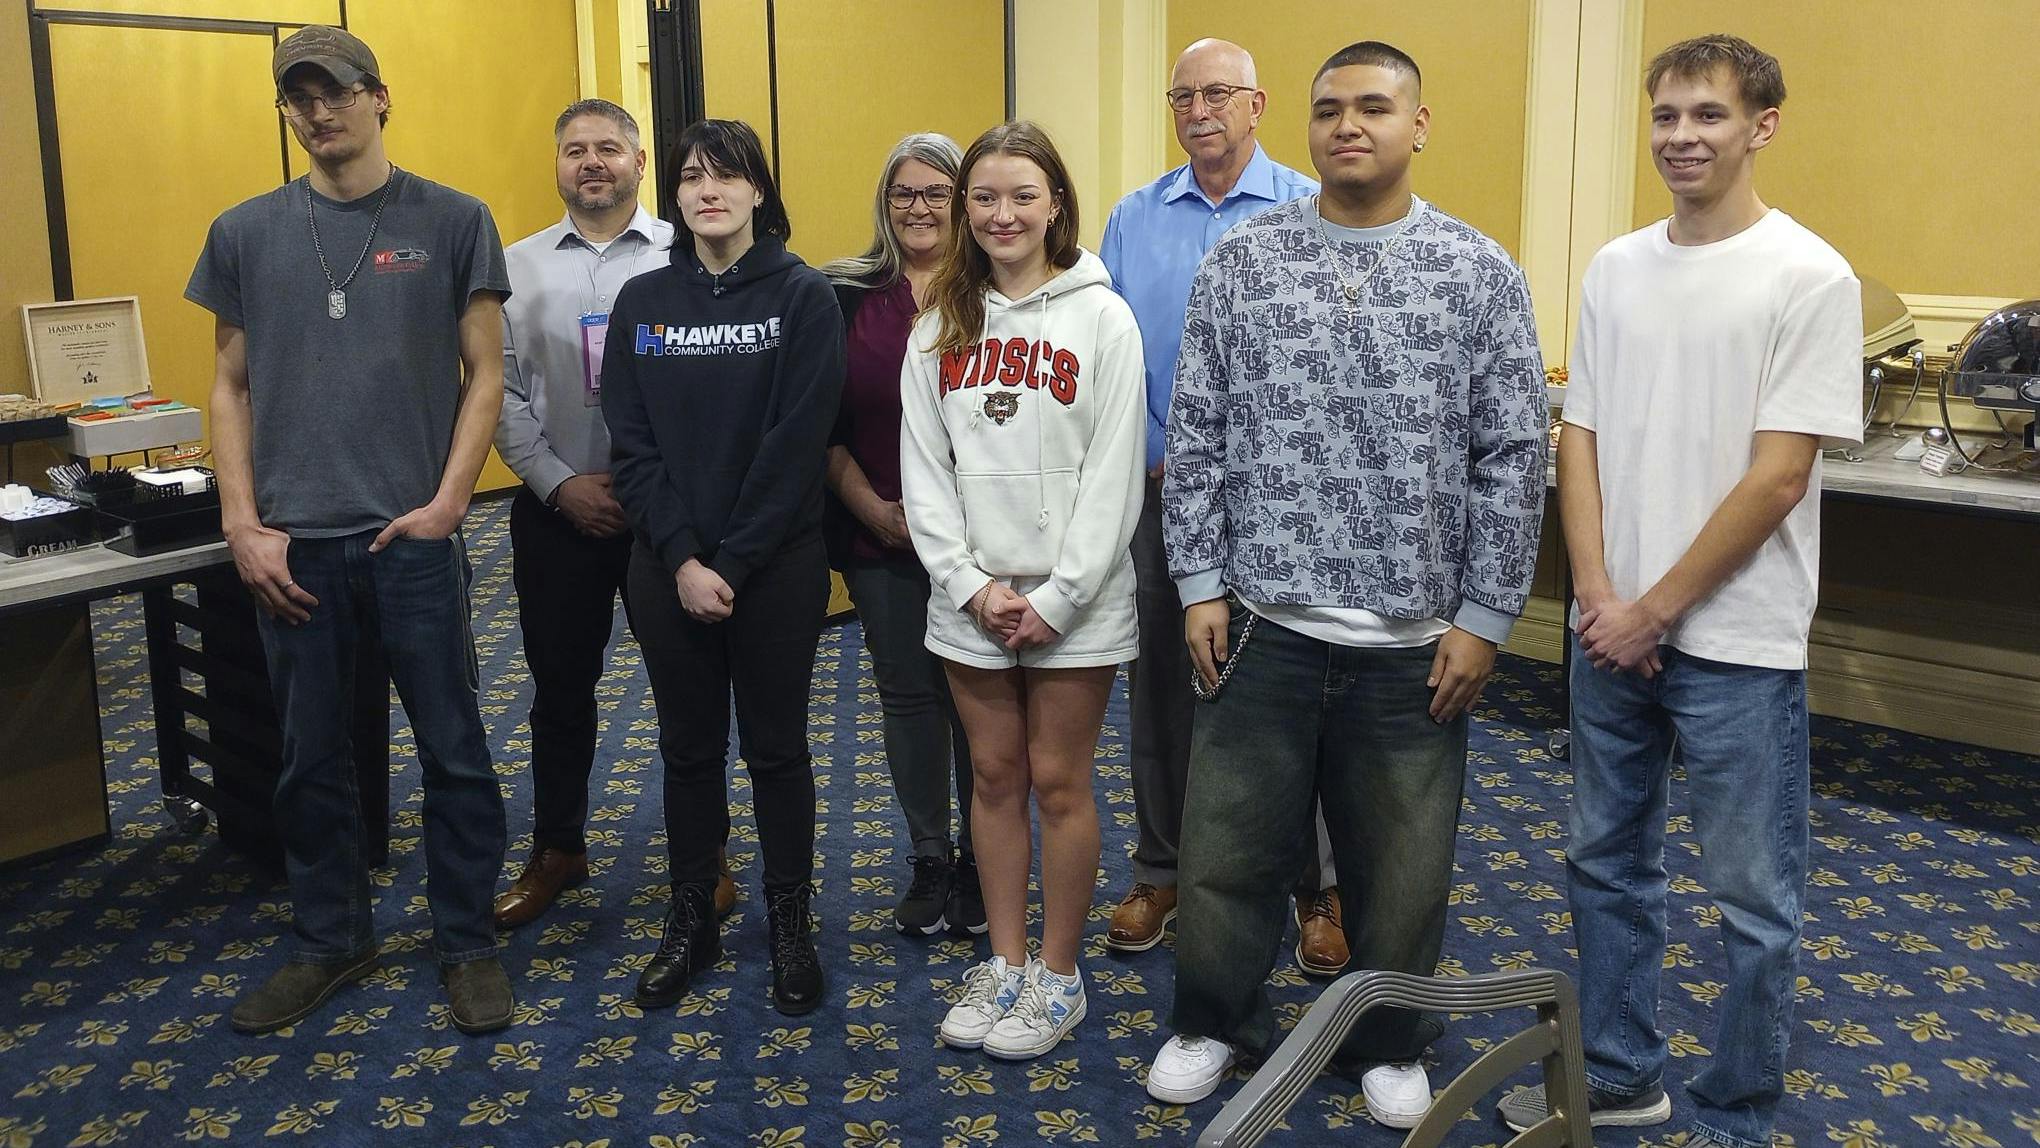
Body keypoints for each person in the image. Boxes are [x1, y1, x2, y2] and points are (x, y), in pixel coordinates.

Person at [1149, 41, 1547, 1128]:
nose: (1348, 126)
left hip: (1415, 637)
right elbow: (1200, 427)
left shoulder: (1478, 271)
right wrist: (1197, 578)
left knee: (1404, 865)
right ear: (1307, 125)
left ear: (1420, 125)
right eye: (1330, 110)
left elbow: (1515, 454)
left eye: (1375, 107)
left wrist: (1485, 616)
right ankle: (1209, 1019)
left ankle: (1390, 1035)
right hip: (1262, 621)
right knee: (1227, 847)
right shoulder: (1244, 261)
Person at [1498, 35, 1861, 1147]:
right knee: (1605, 861)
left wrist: (1653, 609)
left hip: (1736, 644)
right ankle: (1620, 1071)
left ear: (1763, 126)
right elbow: (1584, 437)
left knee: (1754, 899)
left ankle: (1740, 1107)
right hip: (1609, 633)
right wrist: (1599, 598)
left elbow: (1779, 473)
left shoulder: (1811, 275)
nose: (1682, 137)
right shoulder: (1615, 266)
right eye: (1665, 117)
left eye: (1707, 115)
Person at [186, 25, 514, 1035]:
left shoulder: (455, 219)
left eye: (335, 92)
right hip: (294, 545)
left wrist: (451, 502)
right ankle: (332, 936)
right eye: (299, 98)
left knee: (454, 748)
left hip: (411, 540)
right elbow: (230, 385)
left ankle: (467, 937)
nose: (318, 112)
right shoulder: (242, 231)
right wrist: (244, 522)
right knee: (309, 758)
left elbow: (487, 373)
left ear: (380, 97)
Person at [1097, 37, 1346, 975]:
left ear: (1257, 104)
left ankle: (1313, 888)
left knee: (1297, 692)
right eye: (1182, 97)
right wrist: (1153, 457)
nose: (1199, 111)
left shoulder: (1308, 207)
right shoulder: (1133, 217)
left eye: (1218, 94)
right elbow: (1112, 357)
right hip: (1164, 500)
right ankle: (1160, 869)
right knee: (1164, 691)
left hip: (1287, 506)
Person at [899, 122, 1145, 1061]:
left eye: (1022, 197)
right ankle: (1002, 962)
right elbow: (924, 474)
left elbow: (1115, 476)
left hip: (1077, 603)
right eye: (985, 198)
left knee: (1058, 781)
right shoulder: (939, 324)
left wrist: (1056, 598)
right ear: (967, 211)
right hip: (971, 599)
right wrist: (970, 586)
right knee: (994, 778)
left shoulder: (1102, 317)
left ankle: (1056, 974)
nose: (1003, 215)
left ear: (1056, 206)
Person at [599, 119, 845, 1017]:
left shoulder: (803, 296)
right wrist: (684, 559)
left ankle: (788, 918)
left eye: (727, 176)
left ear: (756, 191)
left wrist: (729, 562)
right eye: (692, 177)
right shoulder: (643, 302)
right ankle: (692, 915)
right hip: (667, 568)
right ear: (674, 196)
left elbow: (795, 446)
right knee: (689, 751)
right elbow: (631, 447)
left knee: (777, 750)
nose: (708, 190)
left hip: (774, 569)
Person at [490, 99, 737, 930]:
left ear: (639, 162)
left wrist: (658, 494)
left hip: (672, 521)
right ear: (556, 165)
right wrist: (559, 484)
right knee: (560, 689)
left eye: (607, 148)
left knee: (690, 693)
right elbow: (499, 393)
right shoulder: (512, 267)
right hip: (561, 513)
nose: (590, 163)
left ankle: (704, 859)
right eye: (573, 151)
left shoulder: (695, 251)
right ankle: (558, 846)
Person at [820, 134, 984, 938]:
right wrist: (867, 506)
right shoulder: (843, 296)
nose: (919, 208)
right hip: (879, 535)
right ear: (884, 205)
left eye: (936, 192)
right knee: (908, 696)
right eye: (902, 194)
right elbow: (823, 426)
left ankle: (986, 861)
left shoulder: (1000, 292)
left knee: (979, 704)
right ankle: (930, 852)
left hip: (987, 550)